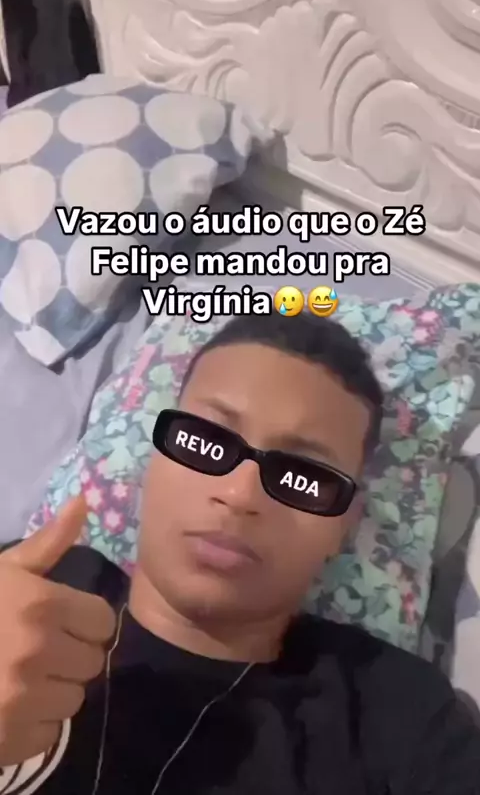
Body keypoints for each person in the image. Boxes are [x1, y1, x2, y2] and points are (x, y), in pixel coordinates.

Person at [0, 313, 479, 795]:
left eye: (303, 476)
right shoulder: (24, 585)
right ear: (153, 460)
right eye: (206, 441)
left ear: (344, 524)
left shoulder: (398, 718)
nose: (239, 494)